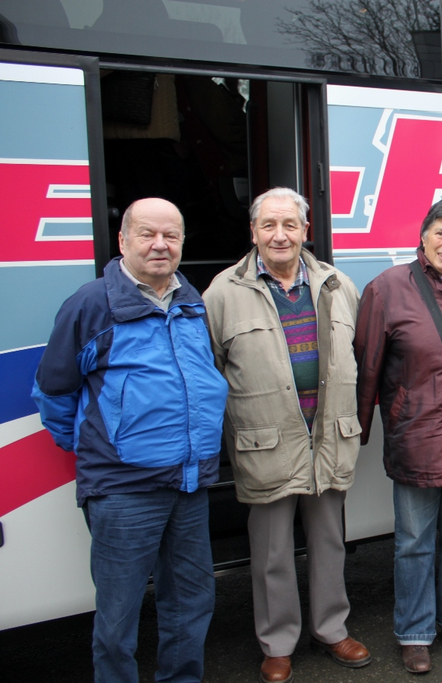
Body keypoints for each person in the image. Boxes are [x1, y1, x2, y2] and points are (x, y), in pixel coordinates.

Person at [31, 198, 228, 682]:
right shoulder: (91, 304)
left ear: (182, 242)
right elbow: (54, 391)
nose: (160, 245)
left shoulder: (191, 300)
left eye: (171, 235)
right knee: (118, 617)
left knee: (191, 601)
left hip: (189, 482)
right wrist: (99, 446)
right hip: (123, 489)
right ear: (123, 241)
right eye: (147, 234)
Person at [203, 187, 369, 683]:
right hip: (266, 442)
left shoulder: (337, 284)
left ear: (305, 231)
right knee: (272, 551)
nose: (280, 235)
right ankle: (277, 643)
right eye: (269, 225)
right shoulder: (222, 293)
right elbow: (210, 370)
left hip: (327, 437)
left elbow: (357, 355)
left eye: (290, 225)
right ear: (253, 232)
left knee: (329, 541)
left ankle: (331, 629)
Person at [354, 198, 442, 674]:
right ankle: (414, 632)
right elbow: (368, 363)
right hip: (414, 435)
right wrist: (359, 428)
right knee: (414, 543)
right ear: (423, 236)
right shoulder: (388, 287)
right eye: (440, 232)